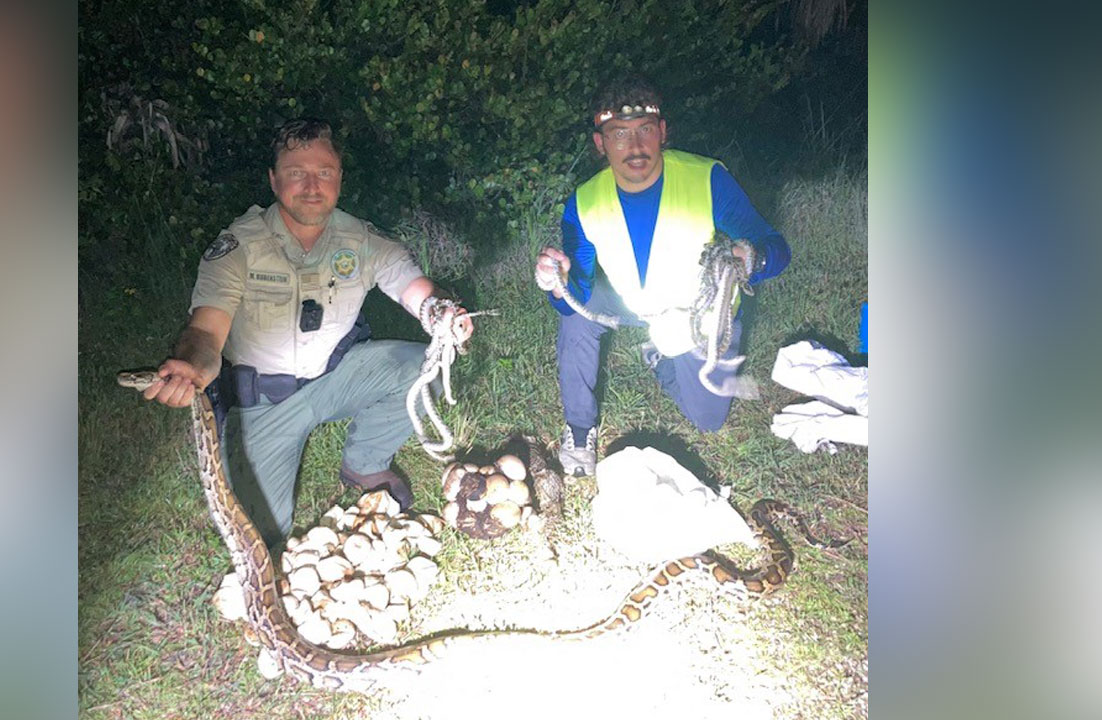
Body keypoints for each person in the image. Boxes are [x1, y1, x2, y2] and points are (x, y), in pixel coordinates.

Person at [140, 118, 473, 547]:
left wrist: (441, 312)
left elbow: (412, 286)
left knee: (418, 365)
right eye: (297, 173)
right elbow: (205, 332)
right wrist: (191, 367)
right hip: (263, 404)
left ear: (339, 179)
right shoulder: (237, 247)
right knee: (262, 538)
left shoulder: (361, 239)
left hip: (334, 379)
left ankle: (365, 464)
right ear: (274, 180)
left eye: (324, 173)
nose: (312, 186)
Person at [534, 74, 790, 476]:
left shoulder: (707, 178)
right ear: (601, 143)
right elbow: (576, 295)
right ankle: (580, 428)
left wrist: (751, 259)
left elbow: (777, 248)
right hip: (631, 300)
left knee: (708, 419)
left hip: (698, 312)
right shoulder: (583, 201)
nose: (635, 147)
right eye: (619, 134)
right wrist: (558, 283)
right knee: (578, 319)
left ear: (663, 133)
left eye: (645, 131)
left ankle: (658, 356)